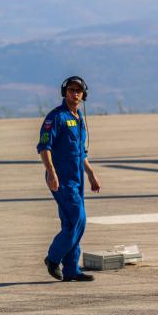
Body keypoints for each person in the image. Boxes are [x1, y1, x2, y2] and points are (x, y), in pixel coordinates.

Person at [38, 76, 101, 283]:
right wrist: (52, 173)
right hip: (61, 178)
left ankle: (71, 270)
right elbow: (44, 148)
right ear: (64, 92)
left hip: (77, 178)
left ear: (84, 95)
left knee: (70, 223)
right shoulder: (56, 118)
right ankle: (53, 258)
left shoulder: (79, 118)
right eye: (72, 90)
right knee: (78, 220)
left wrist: (91, 174)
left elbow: (80, 152)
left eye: (79, 91)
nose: (75, 94)